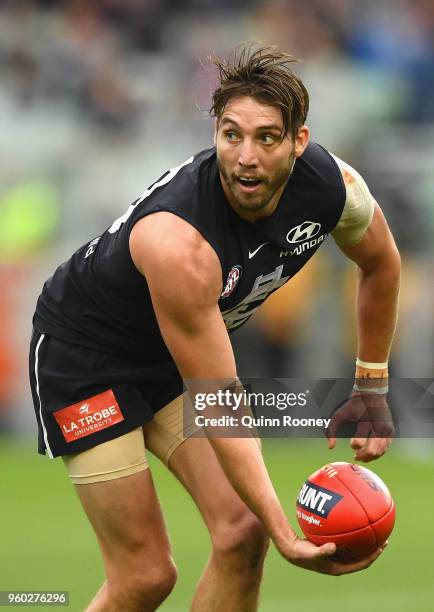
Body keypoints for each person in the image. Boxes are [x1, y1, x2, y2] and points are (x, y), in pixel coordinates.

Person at [29, 45, 400, 611]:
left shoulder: (332, 188)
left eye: (267, 138)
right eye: (232, 135)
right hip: (86, 359)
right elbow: (220, 399)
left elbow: (381, 263)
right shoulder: (179, 245)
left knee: (241, 534)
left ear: (299, 142)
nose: (246, 157)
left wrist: (370, 387)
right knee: (147, 575)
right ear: (215, 135)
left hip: (168, 357)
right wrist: (285, 529)